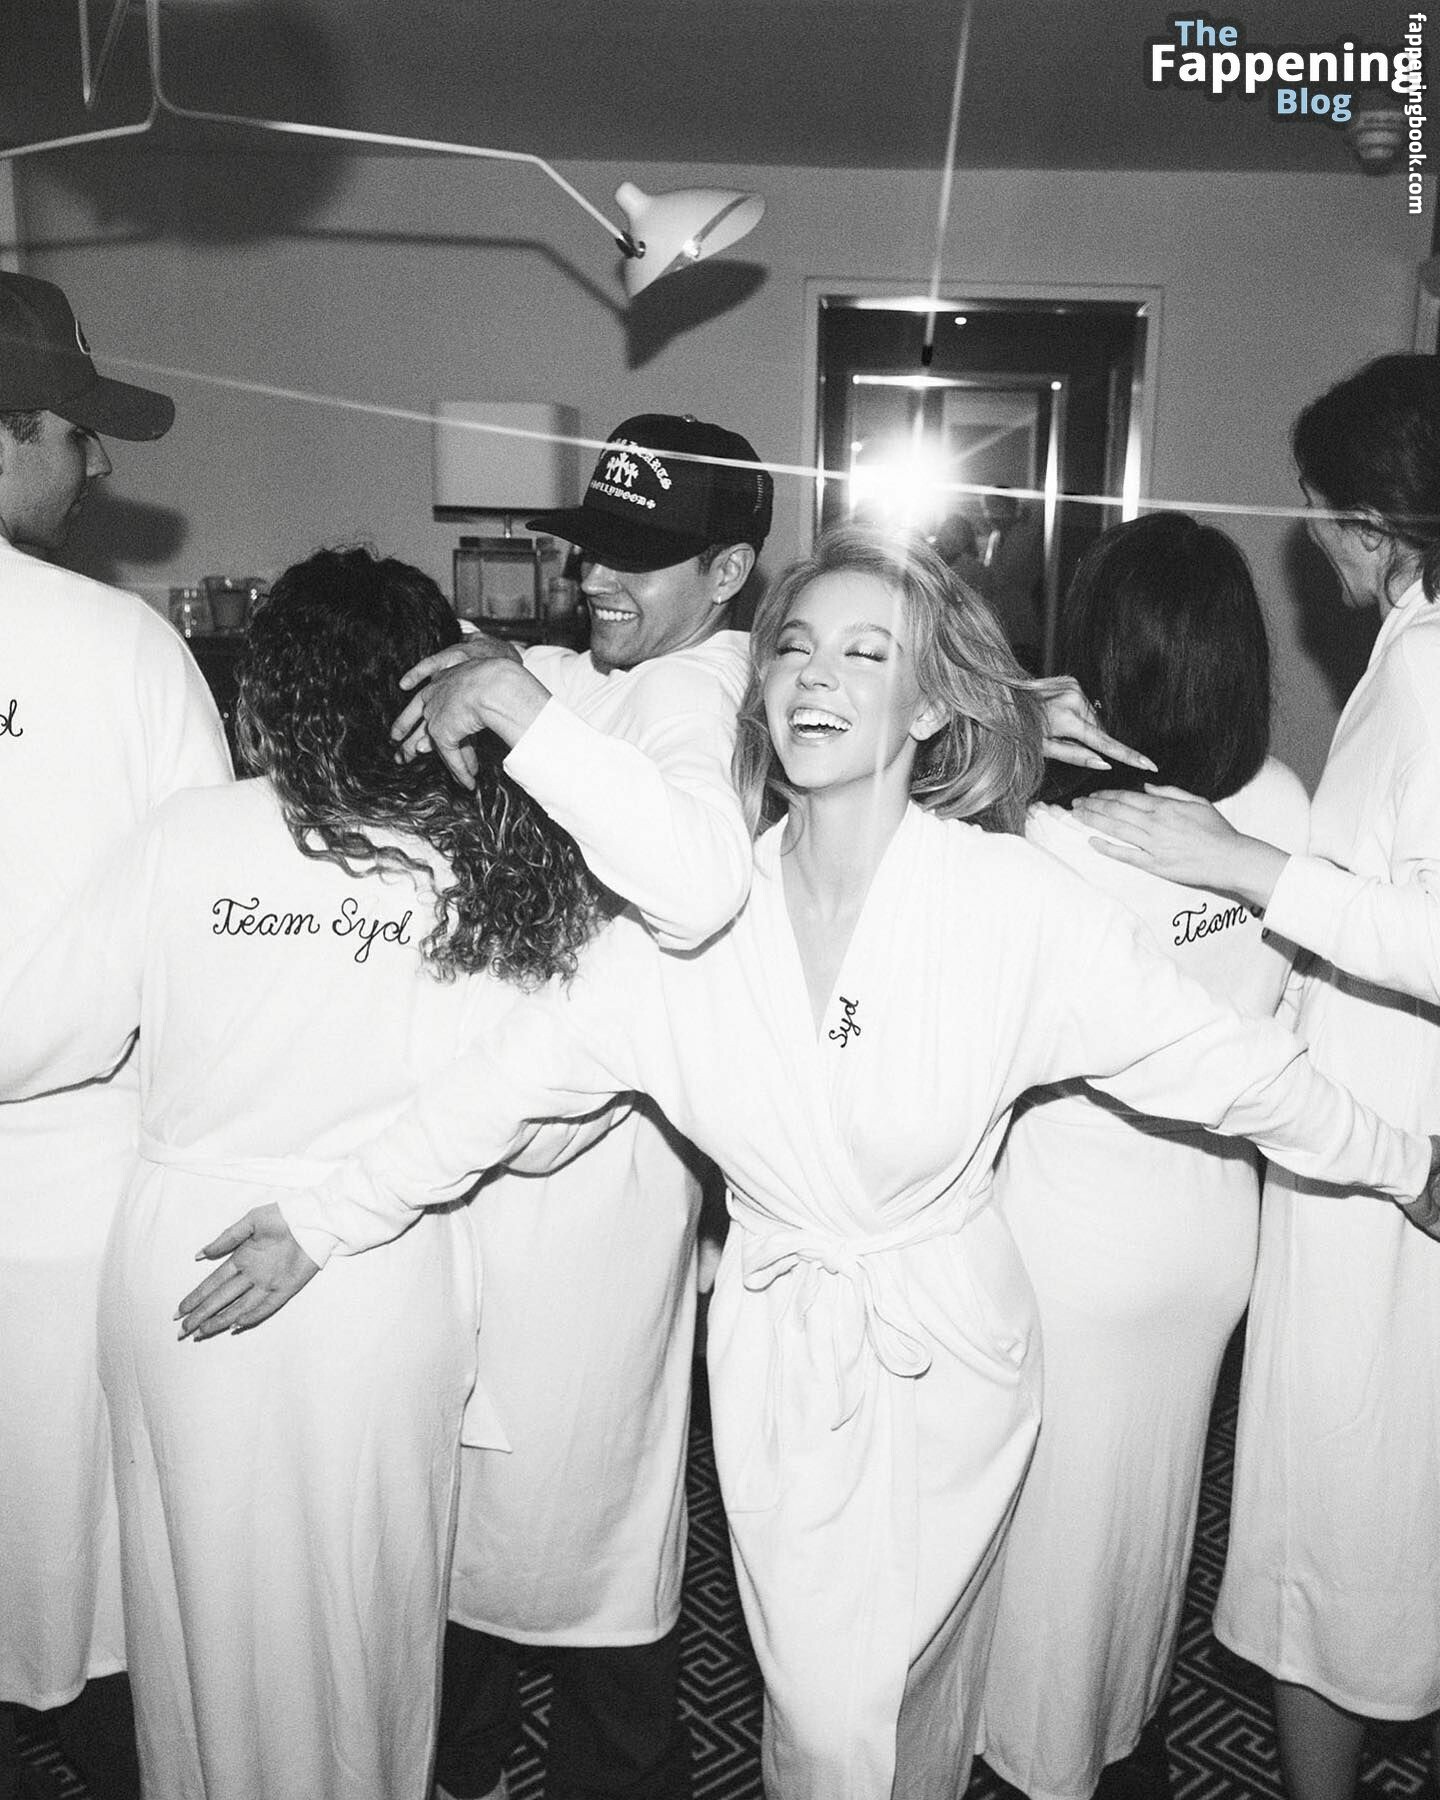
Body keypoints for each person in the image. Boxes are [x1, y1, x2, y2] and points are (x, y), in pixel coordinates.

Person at [184, 526, 1438, 1800]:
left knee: (898, 1710)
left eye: (866, 652)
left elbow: (1228, 1065)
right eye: (794, 648)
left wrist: (1407, 1164)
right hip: (783, 1369)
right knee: (825, 1719)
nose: (817, 677)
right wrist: (322, 1219)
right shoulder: (684, 940)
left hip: (951, 1358)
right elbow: (495, 1093)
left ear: (932, 704)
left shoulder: (1014, 910)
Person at [0, 547, 615, 1800]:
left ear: (264, 692)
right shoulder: (466, 857)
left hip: (182, 1254)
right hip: (372, 1268)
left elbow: (28, 1035)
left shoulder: (184, 835)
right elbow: (551, 1112)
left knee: (186, 1596)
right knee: (363, 1607)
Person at [1069, 354, 1440, 1800]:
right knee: (1334, 1514)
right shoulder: (1394, 668)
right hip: (1330, 1151)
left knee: (1343, 1516)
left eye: (1323, 516)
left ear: (1376, 522)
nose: (1318, 545)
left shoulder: (1427, 674)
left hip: (1387, 1157)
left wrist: (1243, 868)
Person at [396, 413, 772, 1800]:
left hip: (603, 1167)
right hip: (500, 1141)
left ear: (727, 572)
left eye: (639, 560)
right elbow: (531, 679)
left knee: (589, 1513)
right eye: (591, 549)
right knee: (483, 1502)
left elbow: (697, 880)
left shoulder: (706, 693)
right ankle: (462, 1750)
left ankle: (612, 1768)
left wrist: (520, 705)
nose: (598, 580)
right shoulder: (600, 670)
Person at [976, 513, 1310, 1800]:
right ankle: (1125, 1731)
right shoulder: (1276, 807)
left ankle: (1044, 1758)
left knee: (1048, 1528)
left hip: (1072, 1227)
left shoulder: (1048, 835)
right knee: (1149, 1520)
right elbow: (1282, 1008)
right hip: (1215, 1226)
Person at [0, 271, 232, 1800]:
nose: (95, 465)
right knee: (82, 1562)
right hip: (71, 1182)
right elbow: (213, 929)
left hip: (68, 1166)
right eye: (75, 431)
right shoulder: (125, 649)